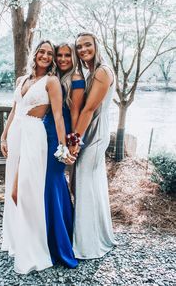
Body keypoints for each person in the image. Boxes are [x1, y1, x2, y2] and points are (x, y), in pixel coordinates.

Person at [0, 40, 75, 274]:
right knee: (11, 191)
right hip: (15, 136)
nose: (44, 56)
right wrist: (3, 136)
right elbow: (14, 109)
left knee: (23, 192)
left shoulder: (51, 82)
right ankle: (18, 242)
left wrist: (64, 148)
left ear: (52, 59)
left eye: (49, 54)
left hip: (34, 137)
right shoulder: (21, 80)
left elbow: (58, 116)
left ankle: (35, 248)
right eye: (41, 51)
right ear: (34, 54)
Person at [70, 32, 116, 259]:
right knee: (89, 184)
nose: (83, 49)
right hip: (90, 132)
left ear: (97, 46)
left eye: (87, 44)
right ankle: (97, 234)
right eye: (78, 46)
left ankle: (88, 245)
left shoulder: (101, 72)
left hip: (95, 134)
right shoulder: (90, 72)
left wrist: (74, 142)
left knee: (85, 184)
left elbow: (88, 110)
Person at [43, 43, 85, 268]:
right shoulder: (54, 76)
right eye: (58, 55)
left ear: (73, 57)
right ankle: (51, 237)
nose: (62, 58)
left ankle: (61, 243)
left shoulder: (75, 78)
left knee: (55, 181)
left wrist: (72, 144)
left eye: (66, 55)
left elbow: (76, 112)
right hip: (47, 131)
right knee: (51, 183)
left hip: (63, 134)